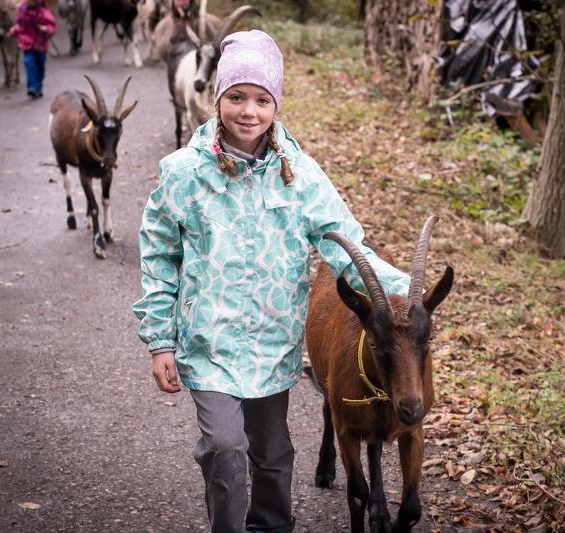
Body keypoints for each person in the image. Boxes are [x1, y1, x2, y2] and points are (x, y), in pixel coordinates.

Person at [132, 30, 410, 533]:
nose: (248, 111)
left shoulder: (300, 175)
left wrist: (406, 290)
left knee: (273, 452)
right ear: (218, 98)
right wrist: (160, 341)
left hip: (271, 341)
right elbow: (159, 256)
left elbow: (345, 246)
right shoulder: (183, 174)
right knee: (225, 446)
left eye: (262, 100)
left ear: (276, 105)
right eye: (236, 97)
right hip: (208, 343)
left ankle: (271, 525)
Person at [9, 0, 55, 99]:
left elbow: (51, 26)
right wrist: (14, 30)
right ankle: (32, 87)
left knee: (40, 67)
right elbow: (20, 25)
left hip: (40, 44)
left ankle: (38, 86)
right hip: (28, 43)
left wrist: (46, 29)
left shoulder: (44, 12)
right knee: (29, 62)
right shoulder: (23, 11)